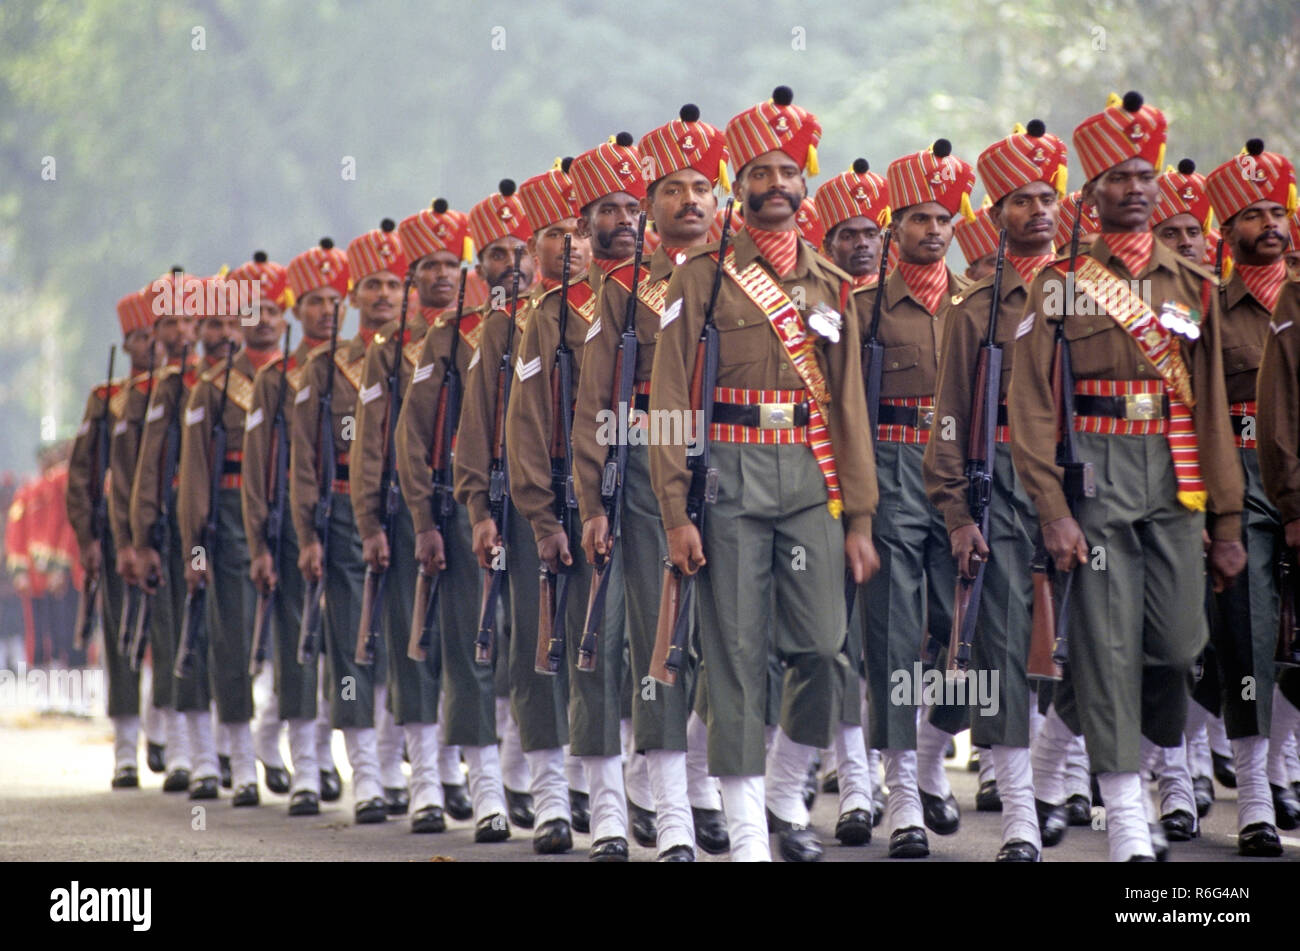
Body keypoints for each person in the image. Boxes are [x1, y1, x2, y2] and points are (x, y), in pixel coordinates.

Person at [1008, 91, 1246, 862]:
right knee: (1106, 648)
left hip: (1175, 476)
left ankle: (1080, 762)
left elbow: (1210, 410)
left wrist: (1228, 520)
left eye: (1145, 175)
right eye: (1119, 177)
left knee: (1177, 646)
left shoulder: (1193, 281)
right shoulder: (1060, 283)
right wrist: (1052, 507)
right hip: (1097, 476)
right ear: (1092, 193)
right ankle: (1125, 817)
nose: (1137, 188)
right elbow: (1034, 407)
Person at [650, 86, 880, 861]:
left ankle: (786, 790)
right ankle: (751, 834)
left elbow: (848, 408)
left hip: (812, 478)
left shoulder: (831, 284)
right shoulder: (699, 278)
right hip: (729, 482)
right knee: (738, 657)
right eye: (759, 171)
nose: (775, 183)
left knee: (823, 649)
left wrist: (860, 518)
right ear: (738, 187)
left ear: (805, 183)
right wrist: (676, 512)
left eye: (788, 169)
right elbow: (672, 403)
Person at [923, 119, 1069, 861]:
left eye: (1048, 196)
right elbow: (949, 412)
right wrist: (954, 506)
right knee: (1005, 650)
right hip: (1004, 480)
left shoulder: (1089, 290)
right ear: (997, 214)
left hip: (1088, 481)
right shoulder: (974, 305)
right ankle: (1019, 815)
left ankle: (1051, 773)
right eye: (1021, 200)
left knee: (1135, 645)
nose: (1038, 211)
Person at [859, 137, 976, 858]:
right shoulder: (864, 306)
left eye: (944, 218)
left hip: (964, 472)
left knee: (972, 633)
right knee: (897, 636)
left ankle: (934, 750)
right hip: (895, 469)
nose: (933, 230)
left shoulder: (981, 303)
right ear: (892, 226)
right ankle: (901, 787)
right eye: (919, 218)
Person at [1201, 140, 1299, 849]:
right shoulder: (1209, 303)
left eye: (1277, 210)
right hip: (1242, 474)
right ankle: (1255, 794)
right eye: (1252, 214)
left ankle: (1286, 768)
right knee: (1249, 635)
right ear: (1226, 229)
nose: (1270, 223)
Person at [66, 290, 155, 787]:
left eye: (157, 336)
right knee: (123, 641)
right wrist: (87, 537)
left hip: (170, 534)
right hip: (117, 533)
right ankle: (125, 749)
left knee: (169, 637)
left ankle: (172, 737)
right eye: (141, 338)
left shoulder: (186, 393)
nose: (152, 347)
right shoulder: (106, 401)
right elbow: (81, 475)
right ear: (127, 345)